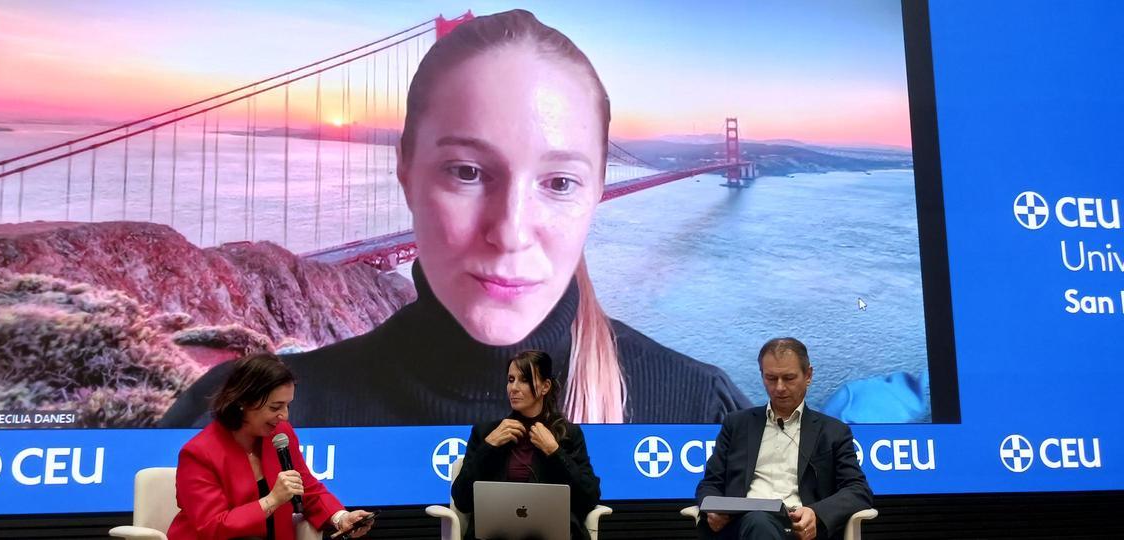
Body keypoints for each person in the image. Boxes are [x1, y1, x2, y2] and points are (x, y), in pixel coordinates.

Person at [161, 9, 749, 428]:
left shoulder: (701, 415)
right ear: (407, 170)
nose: (511, 231)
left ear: (596, 192)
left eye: (560, 182)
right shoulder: (237, 422)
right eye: (467, 173)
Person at [166, 354, 375, 540]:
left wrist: (341, 518)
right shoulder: (198, 453)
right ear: (244, 402)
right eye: (275, 407)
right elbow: (212, 527)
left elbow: (308, 490)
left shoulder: (281, 434)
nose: (285, 415)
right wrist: (272, 500)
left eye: (287, 405)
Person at [694, 338, 872, 540]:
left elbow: (858, 490)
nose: (779, 387)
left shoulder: (833, 431)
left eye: (788, 378)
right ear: (762, 376)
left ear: (808, 375)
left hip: (801, 529)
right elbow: (710, 483)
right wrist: (713, 508)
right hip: (744, 526)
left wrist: (817, 513)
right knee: (758, 522)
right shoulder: (736, 425)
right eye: (771, 378)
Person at [451, 350, 600, 540]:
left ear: (545, 386)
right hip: (496, 535)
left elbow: (589, 497)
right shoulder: (486, 433)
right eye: (511, 379)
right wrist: (489, 447)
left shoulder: (568, 434)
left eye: (524, 380)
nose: (513, 387)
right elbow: (462, 500)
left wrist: (555, 452)